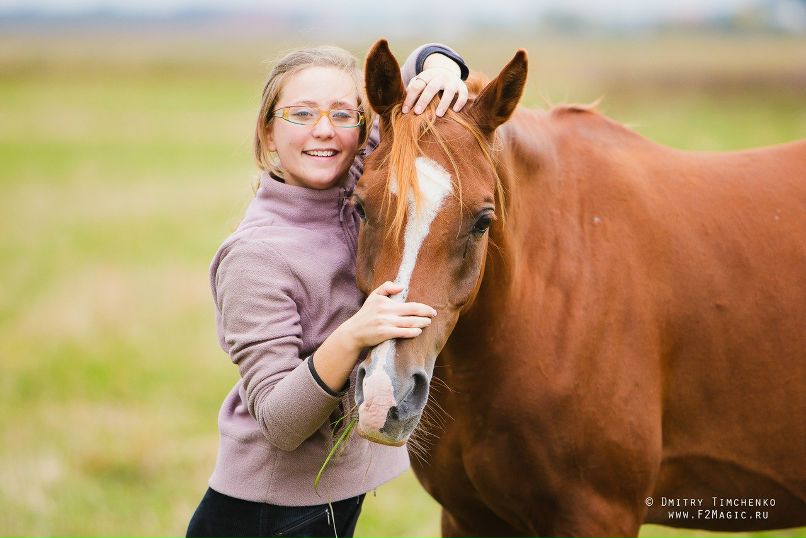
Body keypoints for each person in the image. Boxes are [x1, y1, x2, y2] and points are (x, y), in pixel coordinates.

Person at [186, 42, 469, 538]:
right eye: (301, 113)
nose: (323, 129)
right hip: (263, 516)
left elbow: (407, 80)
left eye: (343, 114)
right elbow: (279, 422)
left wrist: (441, 63)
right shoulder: (256, 257)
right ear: (268, 133)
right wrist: (354, 335)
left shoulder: (359, 181)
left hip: (331, 503)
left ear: (362, 133)